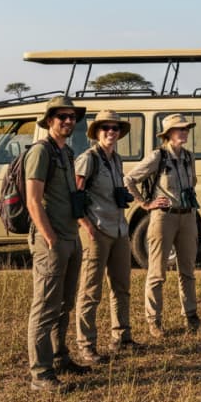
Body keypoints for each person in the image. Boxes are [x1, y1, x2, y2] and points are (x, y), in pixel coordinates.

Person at [26, 95, 91, 392]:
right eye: (61, 116)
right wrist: (50, 237)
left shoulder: (66, 152)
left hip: (70, 237)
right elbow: (33, 200)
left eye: (71, 116)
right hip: (52, 241)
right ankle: (40, 374)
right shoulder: (41, 152)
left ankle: (59, 358)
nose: (68, 121)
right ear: (49, 120)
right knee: (45, 307)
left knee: (65, 304)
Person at [124, 114, 200, 338]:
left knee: (187, 270)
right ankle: (154, 321)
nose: (184, 132)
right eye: (179, 129)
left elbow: (193, 181)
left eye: (186, 128)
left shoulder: (188, 156)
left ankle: (191, 316)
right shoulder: (158, 156)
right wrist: (145, 204)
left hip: (187, 216)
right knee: (157, 272)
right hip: (163, 217)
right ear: (168, 134)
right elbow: (128, 180)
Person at [74, 110, 140, 363]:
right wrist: (87, 226)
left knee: (121, 287)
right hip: (97, 230)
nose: (111, 132)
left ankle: (122, 337)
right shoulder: (88, 159)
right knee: (91, 291)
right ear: (97, 132)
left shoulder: (117, 159)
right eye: (106, 128)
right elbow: (76, 197)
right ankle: (86, 345)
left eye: (115, 128)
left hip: (119, 229)